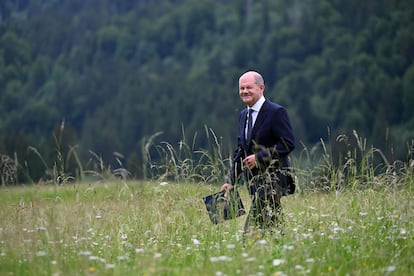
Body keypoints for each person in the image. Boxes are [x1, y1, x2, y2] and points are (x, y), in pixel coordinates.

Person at [220, 71, 295, 233]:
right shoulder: (243, 115)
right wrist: (231, 180)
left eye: (249, 88)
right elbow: (241, 152)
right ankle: (283, 248)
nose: (244, 91)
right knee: (273, 225)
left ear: (261, 88)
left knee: (251, 231)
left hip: (273, 179)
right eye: (241, 88)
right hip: (253, 182)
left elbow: (288, 143)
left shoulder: (276, 112)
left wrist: (260, 158)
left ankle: (249, 250)